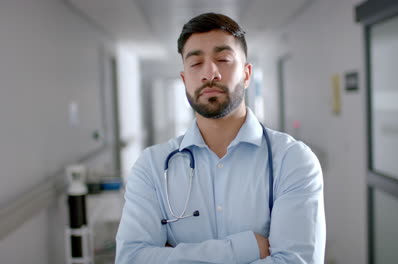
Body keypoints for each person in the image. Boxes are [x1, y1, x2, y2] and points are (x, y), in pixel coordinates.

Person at [115, 12, 326, 263]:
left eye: (223, 59)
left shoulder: (292, 160)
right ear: (184, 80)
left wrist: (171, 255)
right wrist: (246, 248)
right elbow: (132, 258)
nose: (210, 73)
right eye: (195, 63)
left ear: (247, 75)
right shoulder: (152, 166)